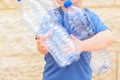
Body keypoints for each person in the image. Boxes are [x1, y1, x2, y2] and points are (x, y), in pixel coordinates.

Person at [36, 0, 113, 80]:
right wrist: (42, 46)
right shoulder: (50, 17)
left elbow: (107, 37)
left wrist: (81, 46)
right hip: (53, 76)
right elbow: (42, 45)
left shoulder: (88, 16)